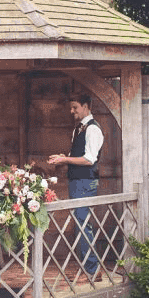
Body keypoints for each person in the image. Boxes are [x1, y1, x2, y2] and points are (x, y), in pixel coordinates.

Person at [48, 94, 103, 285]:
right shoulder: (78, 130)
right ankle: (90, 268)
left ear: (86, 106)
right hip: (76, 181)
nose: (72, 112)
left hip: (85, 182)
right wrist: (63, 157)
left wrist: (65, 160)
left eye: (75, 108)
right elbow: (77, 156)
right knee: (81, 225)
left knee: (83, 225)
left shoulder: (93, 130)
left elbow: (89, 159)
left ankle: (93, 269)